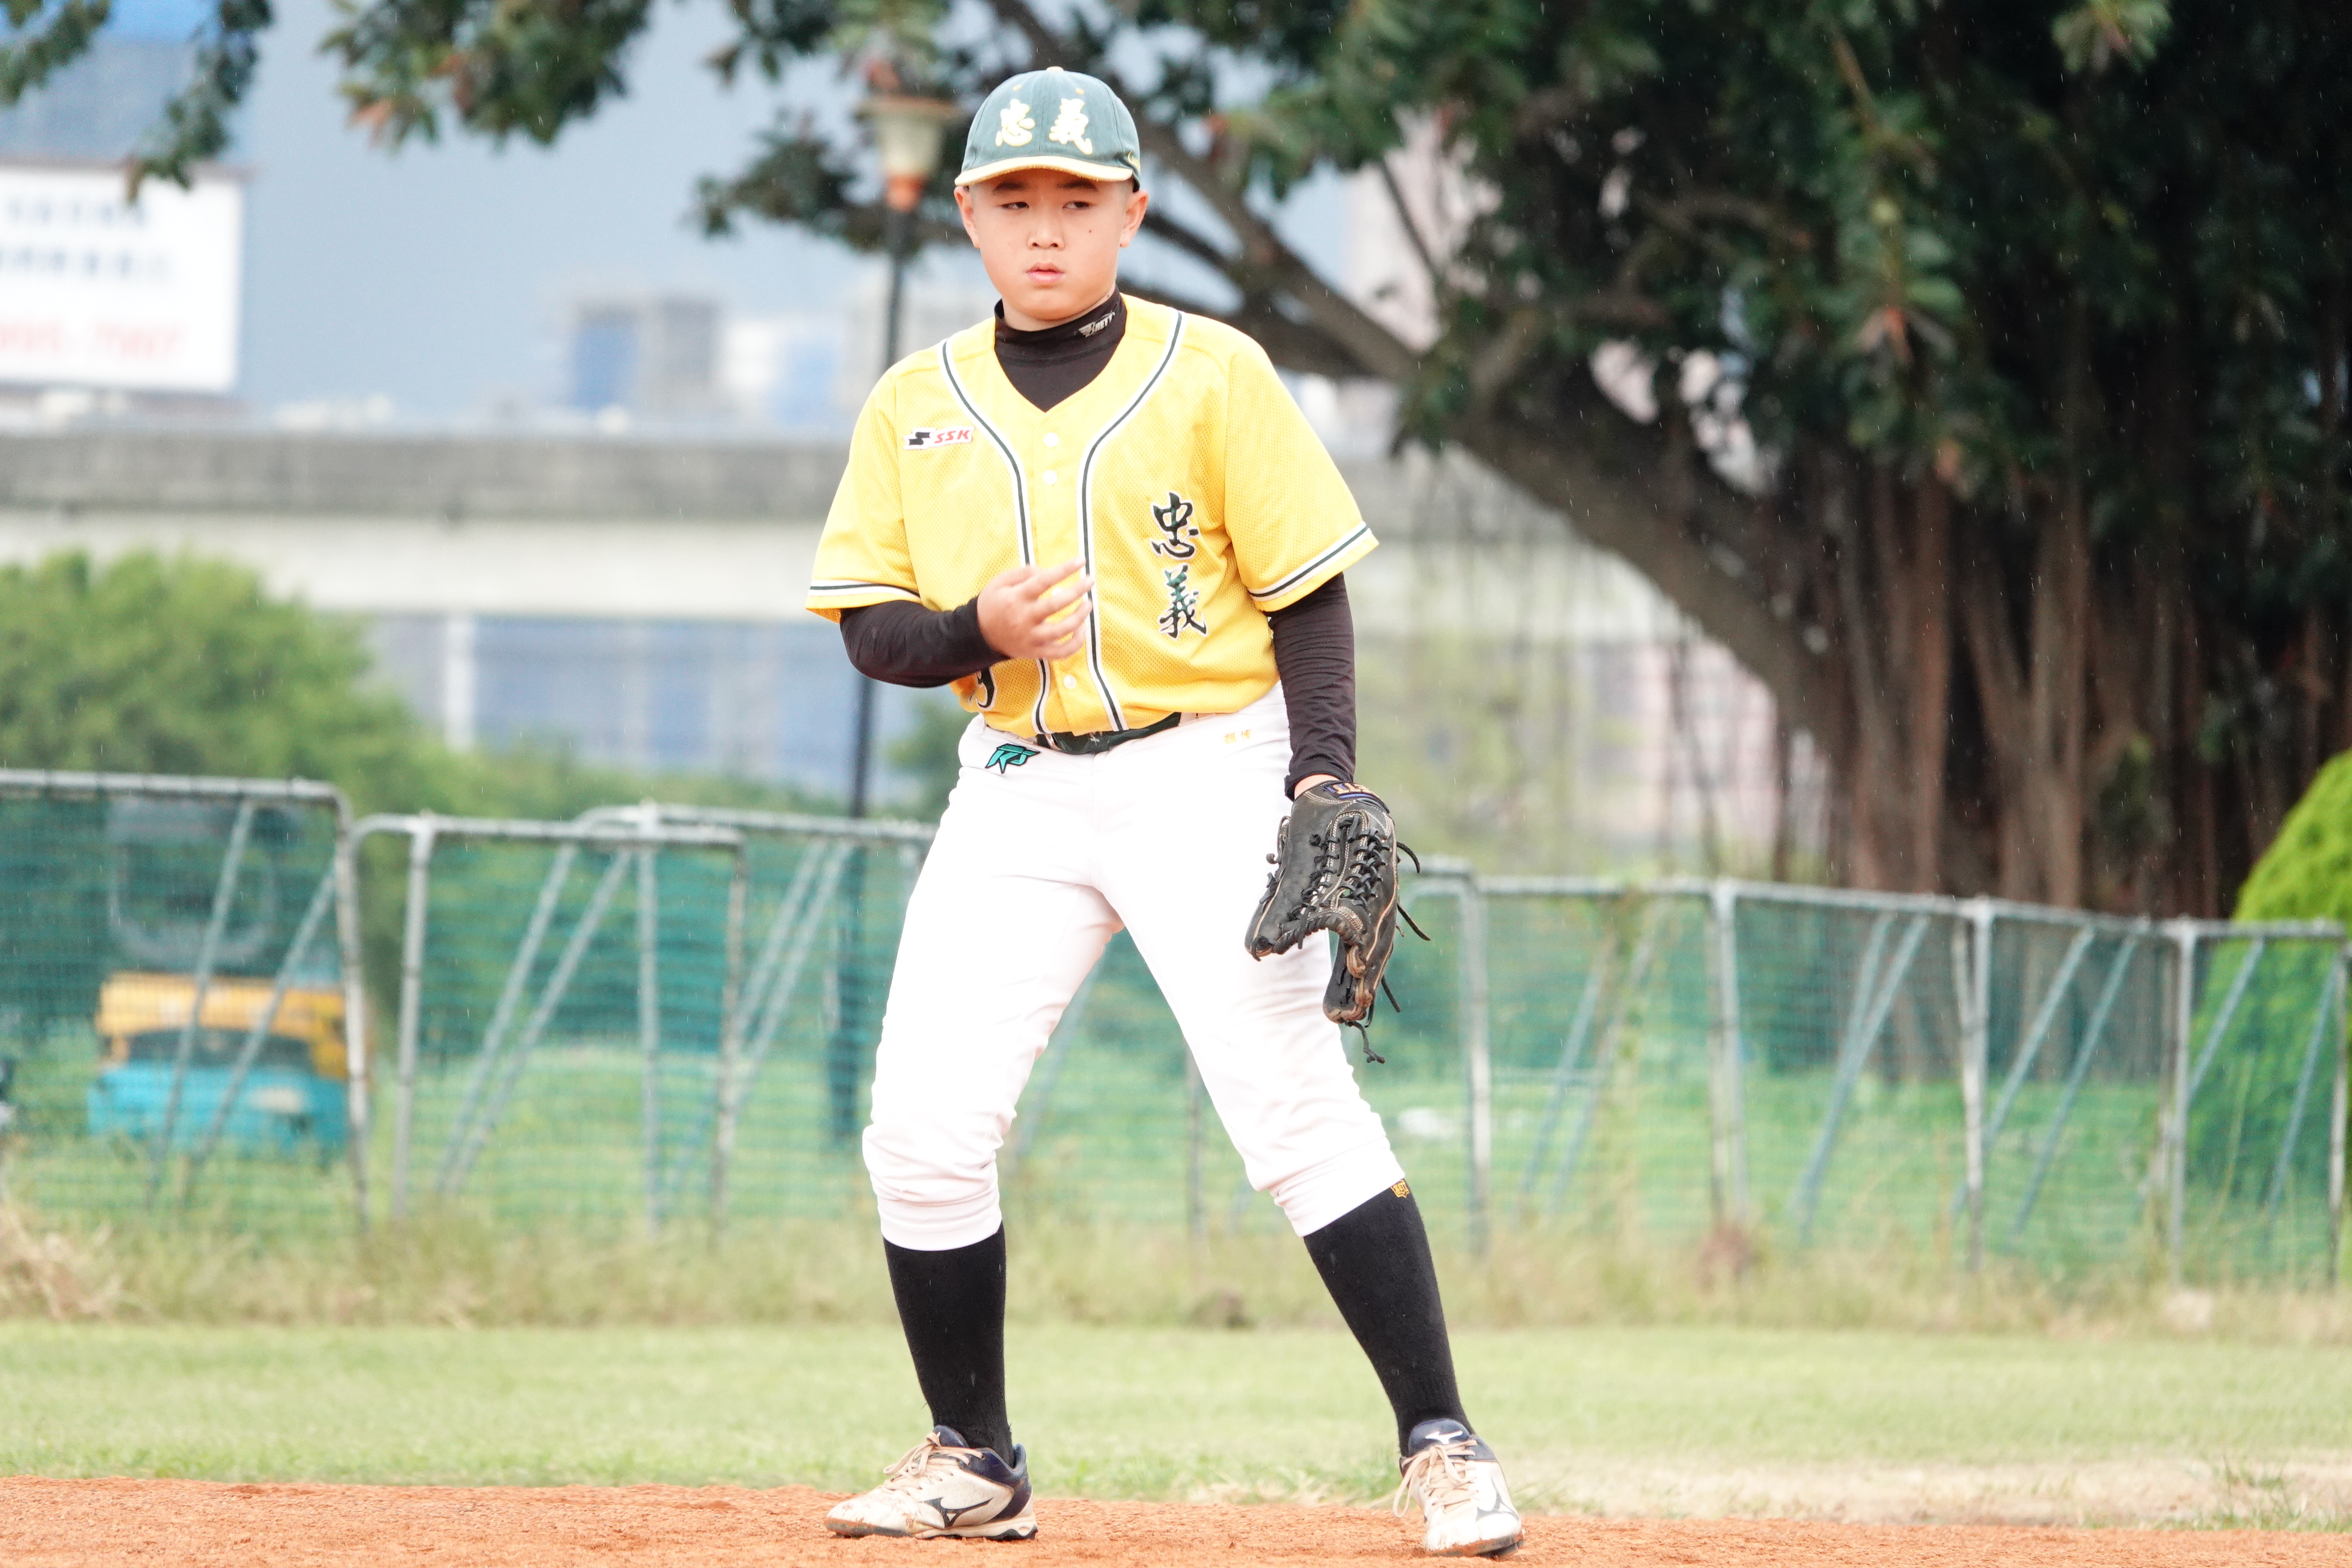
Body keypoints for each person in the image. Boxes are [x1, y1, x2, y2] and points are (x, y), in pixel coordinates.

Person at [805, 66, 1523, 1558]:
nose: (1044, 228)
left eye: (1076, 200)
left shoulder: (1216, 373)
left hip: (1206, 765)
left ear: (1130, 212)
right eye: (1014, 199)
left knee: (1295, 1116)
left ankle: (1445, 1448)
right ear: (968, 217)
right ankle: (973, 1459)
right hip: (1017, 780)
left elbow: (1306, 591)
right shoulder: (914, 402)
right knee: (922, 1129)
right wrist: (977, 630)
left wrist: (1320, 776)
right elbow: (871, 630)